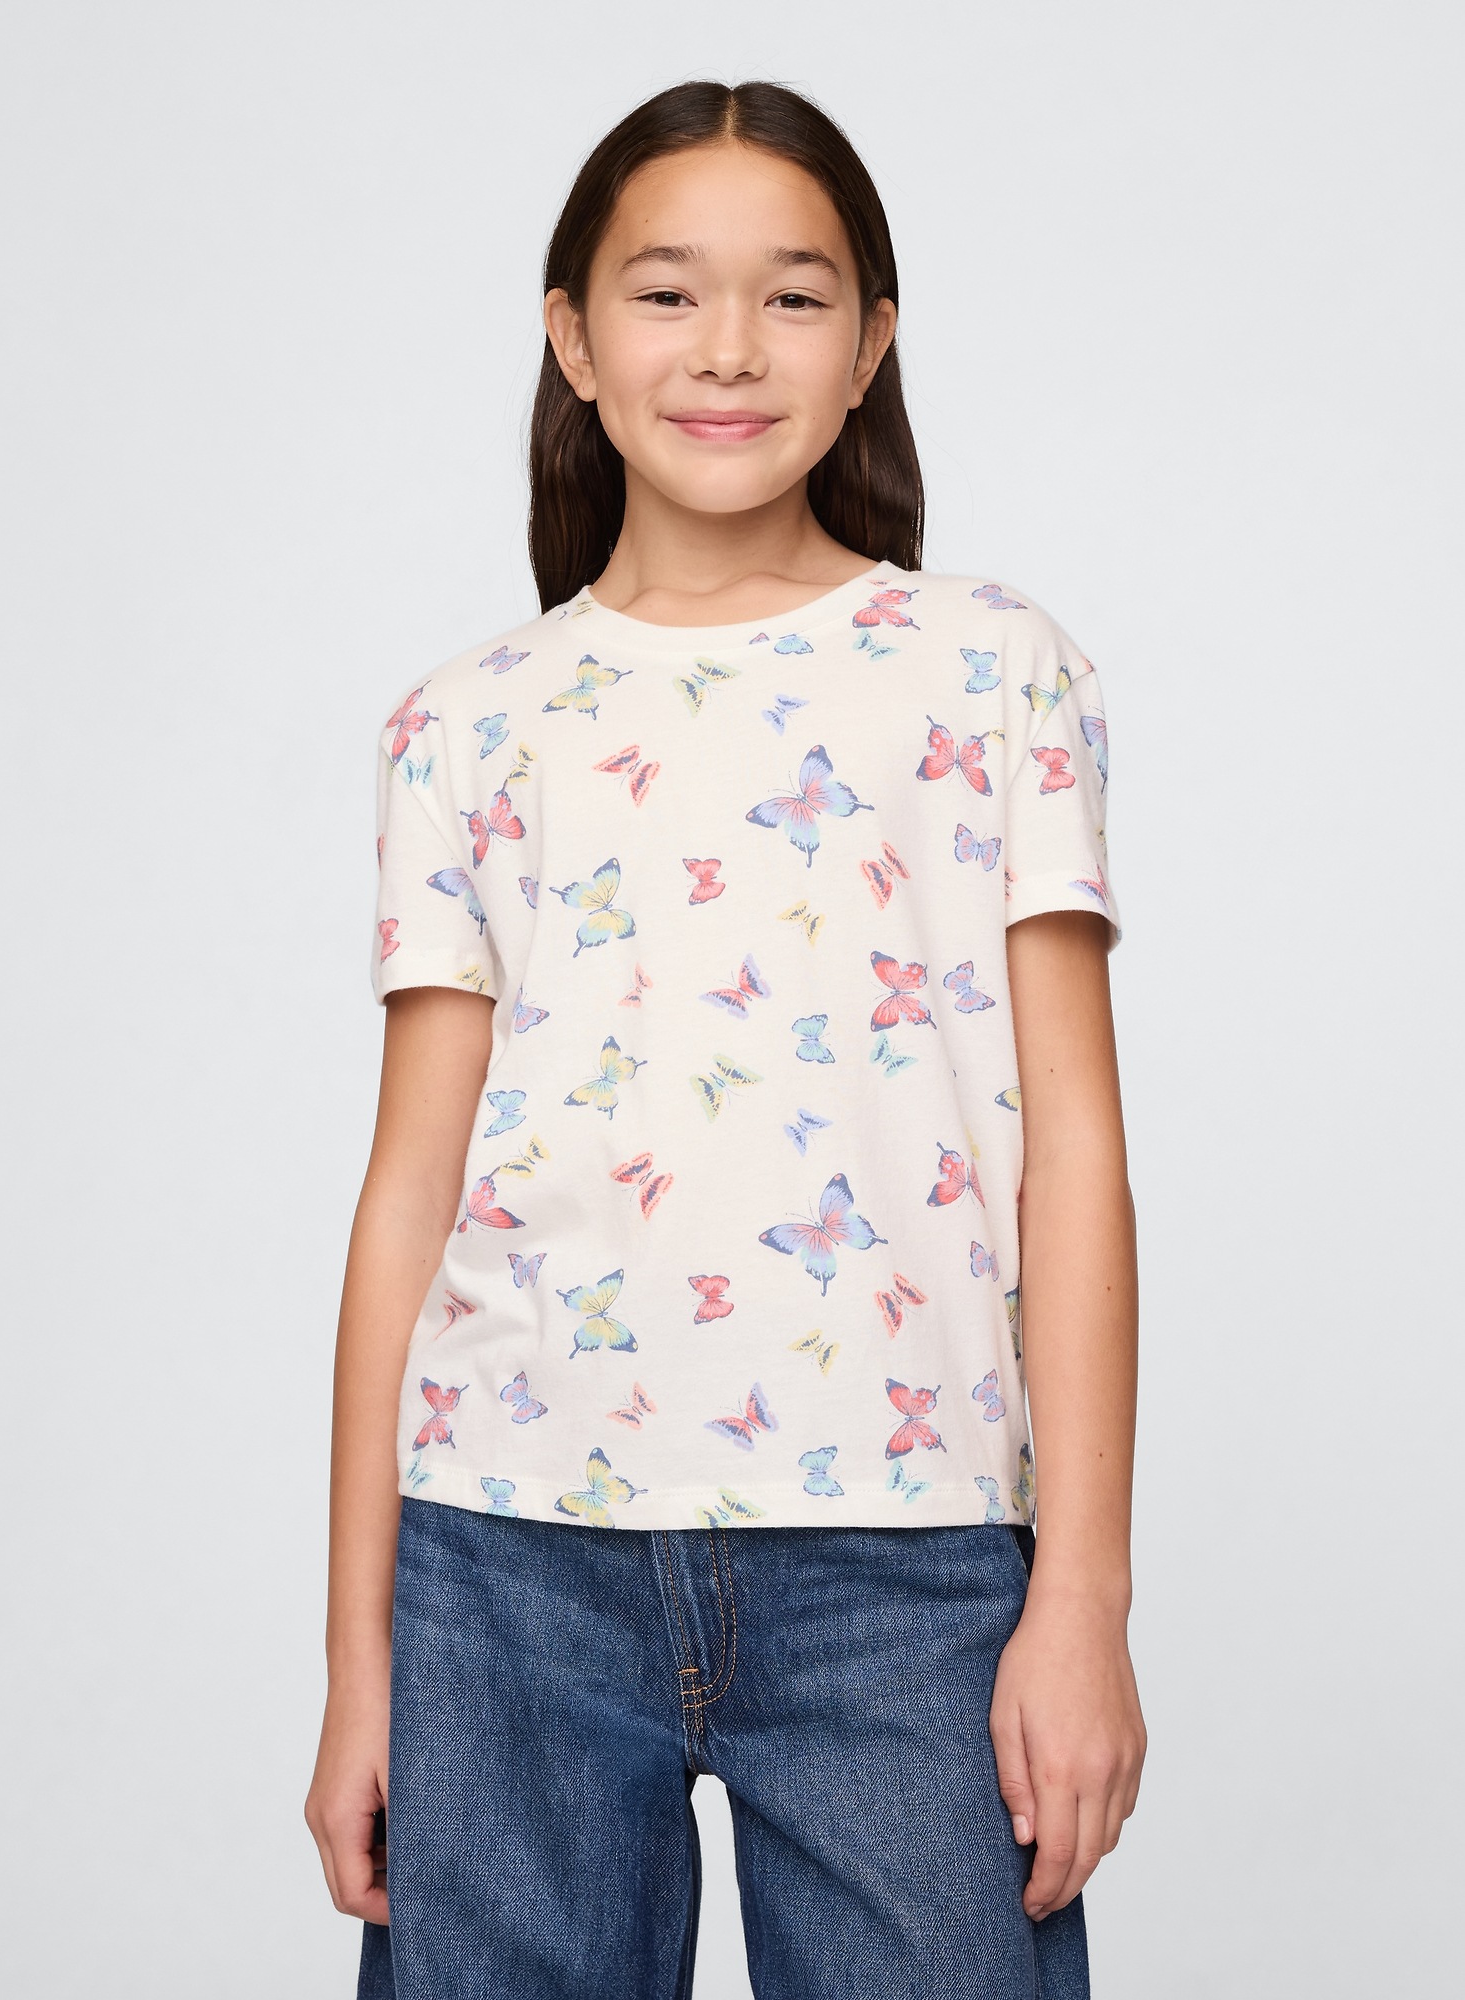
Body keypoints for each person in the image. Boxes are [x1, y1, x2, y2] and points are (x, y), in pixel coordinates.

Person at [305, 77, 1145, 2000]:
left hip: (905, 1562)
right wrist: (362, 1665)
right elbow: (407, 1199)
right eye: (668, 292)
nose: (730, 349)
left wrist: (1083, 1596)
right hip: (504, 1562)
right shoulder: (467, 723)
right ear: (573, 336)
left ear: (873, 343)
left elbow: (1075, 1149)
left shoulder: (989, 671)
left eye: (795, 295)